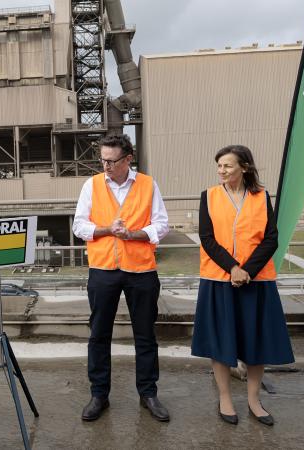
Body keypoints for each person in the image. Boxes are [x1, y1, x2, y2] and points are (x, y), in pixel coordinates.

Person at [192, 144, 295, 427]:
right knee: (220, 341)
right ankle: (225, 398)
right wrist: (233, 268)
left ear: (244, 167)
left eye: (227, 165)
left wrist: (247, 270)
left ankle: (253, 400)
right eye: (219, 166)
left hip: (256, 280)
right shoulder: (209, 196)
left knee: (256, 341)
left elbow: (271, 238)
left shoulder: (261, 197)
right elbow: (207, 238)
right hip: (218, 279)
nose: (221, 171)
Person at [72, 134, 171, 422]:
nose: (106, 166)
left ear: (128, 159)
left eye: (112, 161)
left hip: (141, 271)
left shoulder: (148, 185)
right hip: (103, 270)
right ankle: (99, 395)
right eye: (102, 159)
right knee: (99, 334)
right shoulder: (90, 185)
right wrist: (106, 229)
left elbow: (161, 225)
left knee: (145, 335)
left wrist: (135, 234)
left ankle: (148, 393)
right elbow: (79, 226)